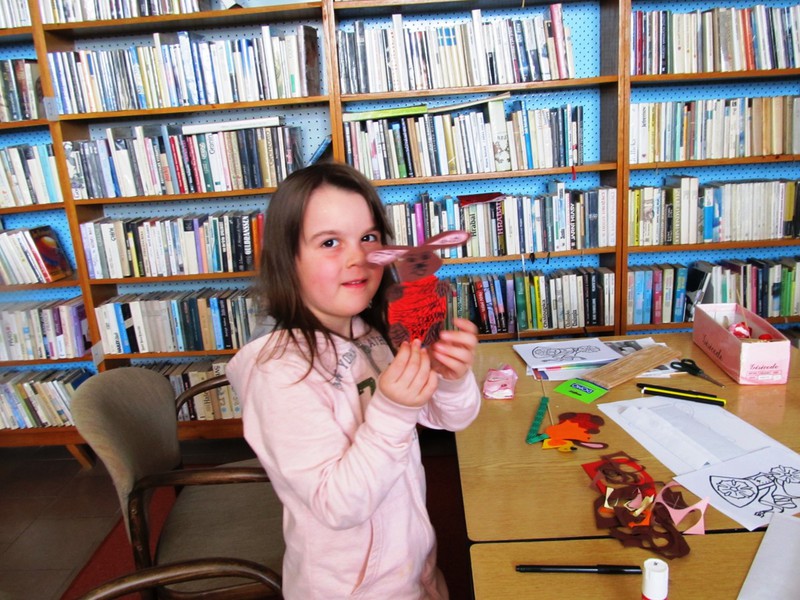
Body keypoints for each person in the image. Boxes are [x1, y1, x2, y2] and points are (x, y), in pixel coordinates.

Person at [226, 161, 481, 599]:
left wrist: (451, 379)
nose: (358, 258)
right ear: (287, 260)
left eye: (368, 238)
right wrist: (394, 409)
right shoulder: (279, 373)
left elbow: (449, 419)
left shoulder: (372, 333)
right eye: (329, 242)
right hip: (352, 588)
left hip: (412, 565)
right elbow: (339, 504)